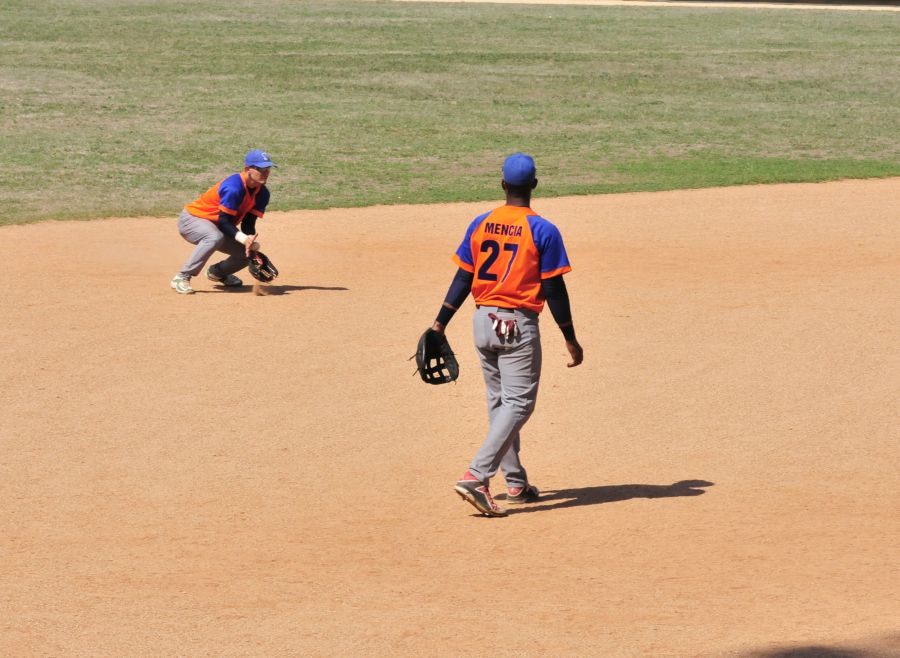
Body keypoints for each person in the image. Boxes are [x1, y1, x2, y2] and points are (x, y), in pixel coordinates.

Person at [432, 152, 584, 517]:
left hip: (482, 321)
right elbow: (554, 289)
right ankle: (476, 475)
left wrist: (440, 322)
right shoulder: (543, 229)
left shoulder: (482, 222)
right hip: (516, 324)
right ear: (534, 185)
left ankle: (514, 481)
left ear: (502, 184)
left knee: (500, 402)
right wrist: (569, 336)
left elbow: (464, 277)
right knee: (518, 403)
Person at [170, 149, 277, 294]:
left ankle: (218, 273)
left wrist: (249, 242)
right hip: (193, 220)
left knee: (247, 254)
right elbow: (224, 222)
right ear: (248, 169)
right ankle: (182, 277)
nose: (265, 173)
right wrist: (243, 238)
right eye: (261, 169)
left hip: (218, 226)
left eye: (268, 169)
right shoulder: (234, 187)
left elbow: (248, 223)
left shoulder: (262, 193)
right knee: (214, 237)